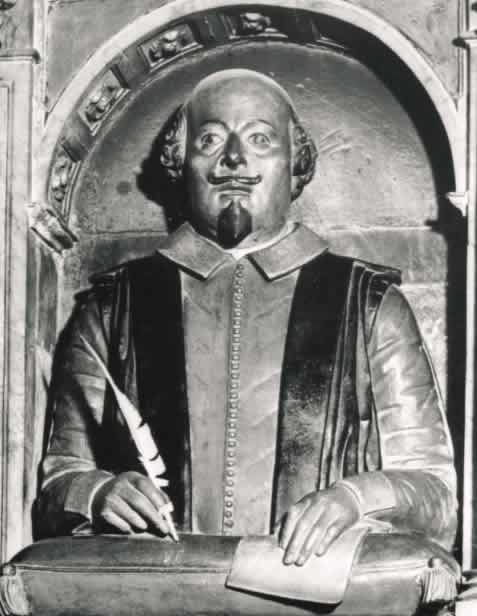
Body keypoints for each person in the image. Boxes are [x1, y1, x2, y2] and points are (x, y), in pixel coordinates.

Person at [36, 69, 457, 567]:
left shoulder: (370, 305)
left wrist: (355, 499)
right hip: (160, 595)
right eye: (211, 139)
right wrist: (97, 493)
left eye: (260, 138)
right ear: (180, 162)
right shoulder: (110, 309)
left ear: (295, 164)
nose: (234, 159)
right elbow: (56, 484)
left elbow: (436, 499)